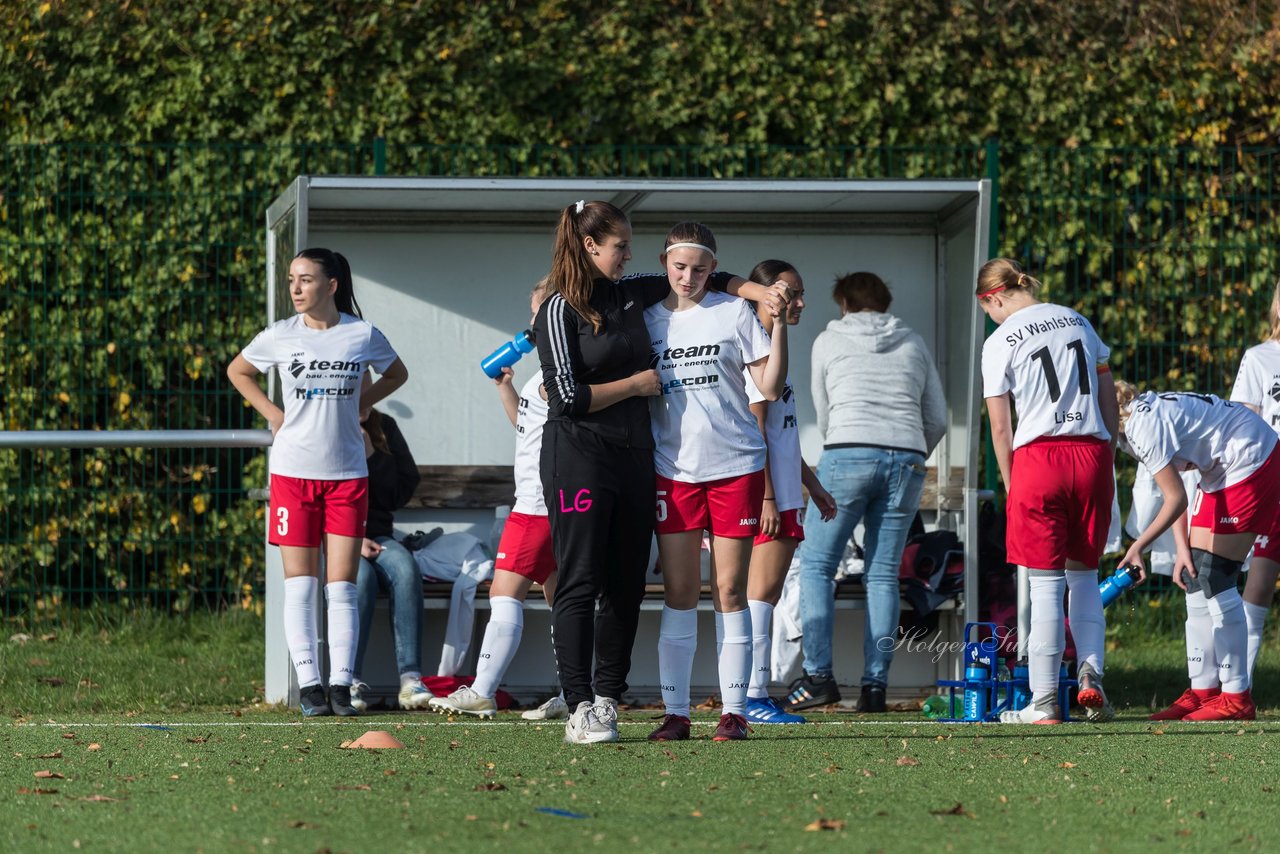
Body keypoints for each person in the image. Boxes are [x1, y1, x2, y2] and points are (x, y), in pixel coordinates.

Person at [534, 200, 784, 744]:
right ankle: (576, 703)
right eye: (620, 245)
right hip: (579, 457)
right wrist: (636, 386)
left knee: (626, 584)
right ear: (588, 245)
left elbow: (704, 271)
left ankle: (607, 698)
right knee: (580, 580)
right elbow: (566, 397)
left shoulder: (632, 292)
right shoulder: (558, 307)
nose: (629, 254)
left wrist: (758, 292)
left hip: (636, 460)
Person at [227, 248, 408, 717]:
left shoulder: (361, 333)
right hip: (293, 475)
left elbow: (397, 372)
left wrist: (361, 401)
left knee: (342, 586)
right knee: (301, 586)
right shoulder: (280, 336)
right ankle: (310, 685)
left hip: (347, 475)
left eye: (306, 280)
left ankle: (341, 685)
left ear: (331, 285)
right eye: (291, 279)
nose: (296, 288)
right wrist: (273, 414)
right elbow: (238, 370)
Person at [644, 223, 789, 743]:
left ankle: (734, 712)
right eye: (679, 267)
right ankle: (677, 713)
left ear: (714, 268)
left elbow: (768, 388)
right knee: (680, 592)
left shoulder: (734, 312)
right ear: (664, 262)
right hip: (673, 471)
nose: (688, 277)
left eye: (700, 269)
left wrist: (778, 324)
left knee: (730, 590)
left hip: (736, 466)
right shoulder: (646, 318)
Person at [784, 271, 948, 715]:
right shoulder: (913, 342)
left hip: (848, 453)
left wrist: (857, 445)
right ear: (885, 302)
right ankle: (875, 686)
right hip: (908, 457)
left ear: (844, 304)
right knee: (883, 574)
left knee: (818, 566)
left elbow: (825, 410)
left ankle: (819, 676)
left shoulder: (827, 340)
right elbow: (937, 418)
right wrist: (910, 455)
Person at [964, 258, 1116, 725]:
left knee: (1044, 585)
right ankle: (1092, 676)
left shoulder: (998, 341)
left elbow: (1000, 424)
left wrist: (1013, 487)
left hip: (1040, 460)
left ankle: (1045, 700)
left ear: (993, 297)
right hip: (1092, 454)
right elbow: (1107, 395)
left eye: (987, 308)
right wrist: (1105, 456)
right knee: (1085, 577)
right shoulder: (1078, 320)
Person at [431, 282, 568, 721]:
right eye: (531, 313)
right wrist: (504, 387)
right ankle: (577, 692)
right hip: (544, 502)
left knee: (505, 591)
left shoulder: (558, 372)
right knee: (563, 600)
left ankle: (483, 689)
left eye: (539, 312)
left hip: (537, 503)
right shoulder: (540, 373)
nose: (532, 323)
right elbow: (527, 427)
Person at [1118, 383, 1280, 721]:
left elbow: (1175, 497)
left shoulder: (1139, 425)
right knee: (1195, 576)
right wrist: (1181, 546)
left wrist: (1138, 546)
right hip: (1222, 465)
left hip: (1250, 454)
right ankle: (1203, 692)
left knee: (1217, 574)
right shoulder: (1134, 422)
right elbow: (1174, 485)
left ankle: (1236, 697)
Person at [738, 260, 836, 726]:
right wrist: (768, 499)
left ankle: (749, 694)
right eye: (790, 293)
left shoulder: (772, 349)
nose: (798, 303)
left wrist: (812, 486)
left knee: (763, 597)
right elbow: (755, 431)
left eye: (801, 293)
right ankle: (751, 695)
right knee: (760, 597)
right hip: (765, 497)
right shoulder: (755, 350)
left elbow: (782, 437)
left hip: (781, 494)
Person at [348, 404, 432, 712]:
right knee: (361, 578)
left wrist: (372, 454)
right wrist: (353, 540)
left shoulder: (384, 426)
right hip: (339, 537)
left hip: (380, 535)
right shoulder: (325, 422)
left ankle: (410, 679)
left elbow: (399, 492)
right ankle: (349, 679)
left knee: (406, 568)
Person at [1228, 281, 1280, 682]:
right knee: (1259, 583)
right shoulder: (1260, 358)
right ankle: (1236, 689)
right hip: (1273, 482)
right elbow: (1244, 424)